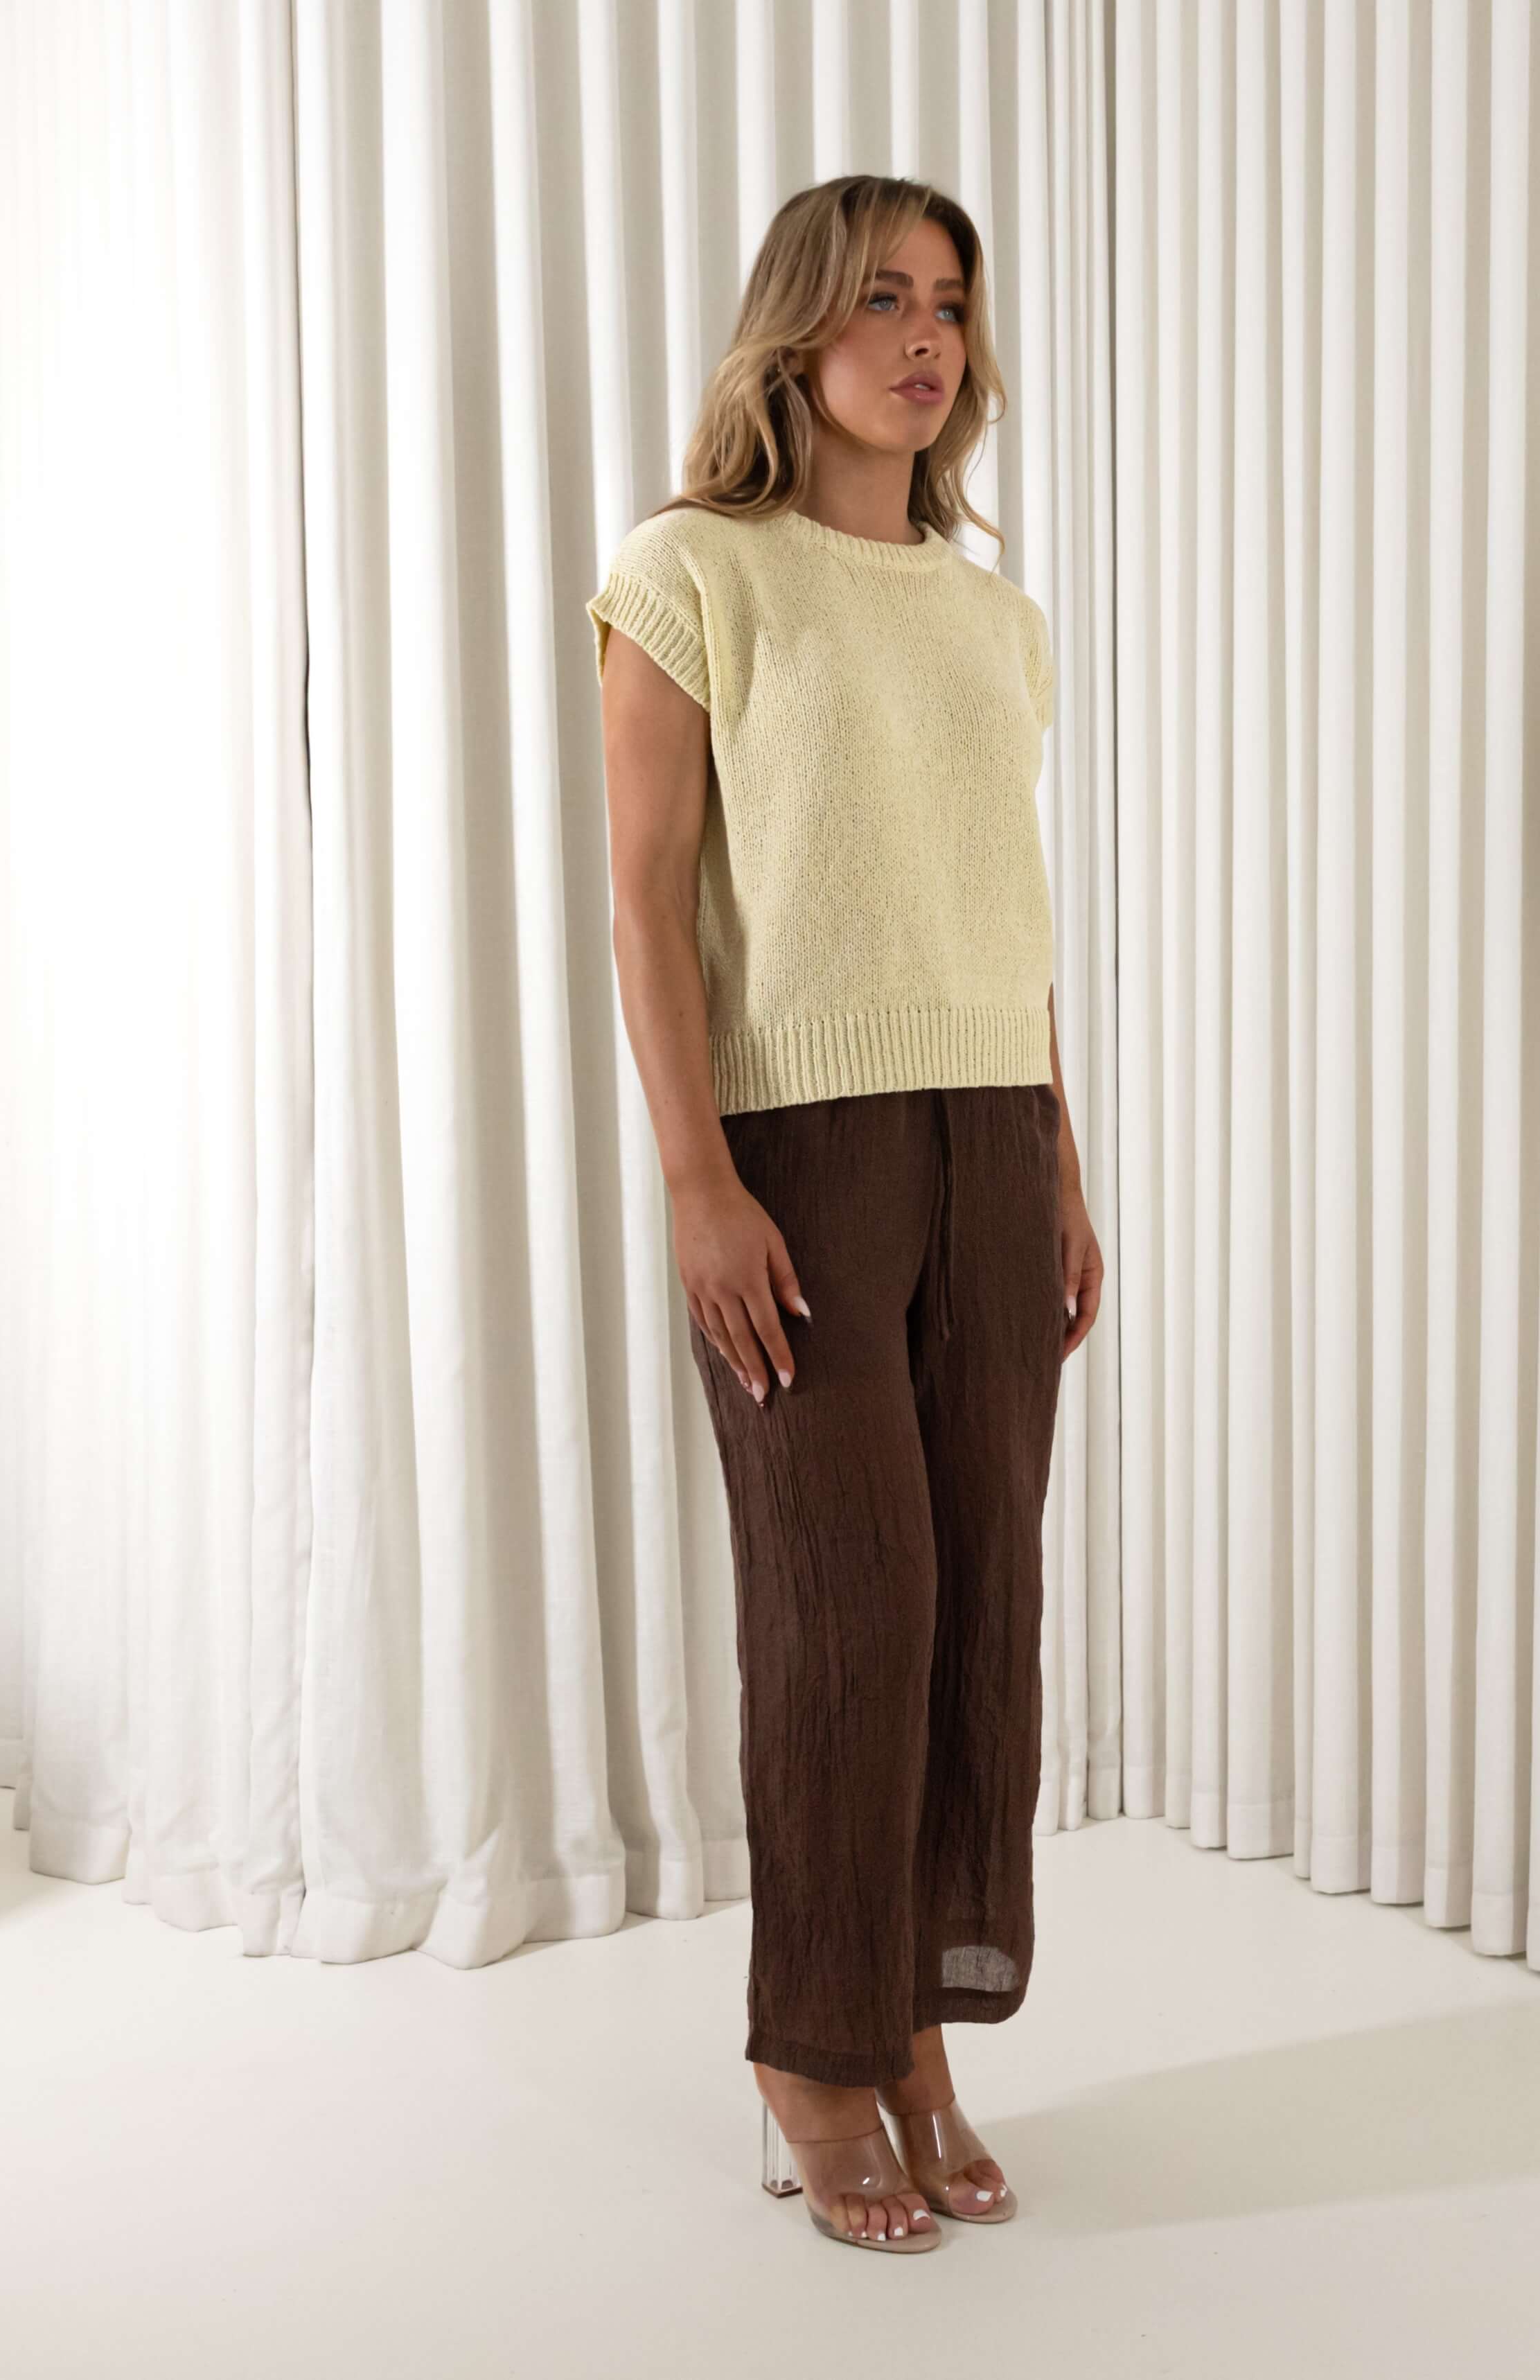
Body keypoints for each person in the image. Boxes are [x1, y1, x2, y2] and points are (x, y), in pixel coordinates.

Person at [587, 173, 1101, 2257]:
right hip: (798, 1153)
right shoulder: (691, 570)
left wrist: (1060, 1159)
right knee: (847, 1612)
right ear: (793, 330)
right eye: (882, 298)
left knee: (976, 1607)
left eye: (950, 305)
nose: (924, 339)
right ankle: (811, 2048)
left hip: (991, 1136)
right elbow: (645, 902)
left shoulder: (992, 616)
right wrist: (696, 1178)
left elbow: (1001, 912)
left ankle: (916, 2031)